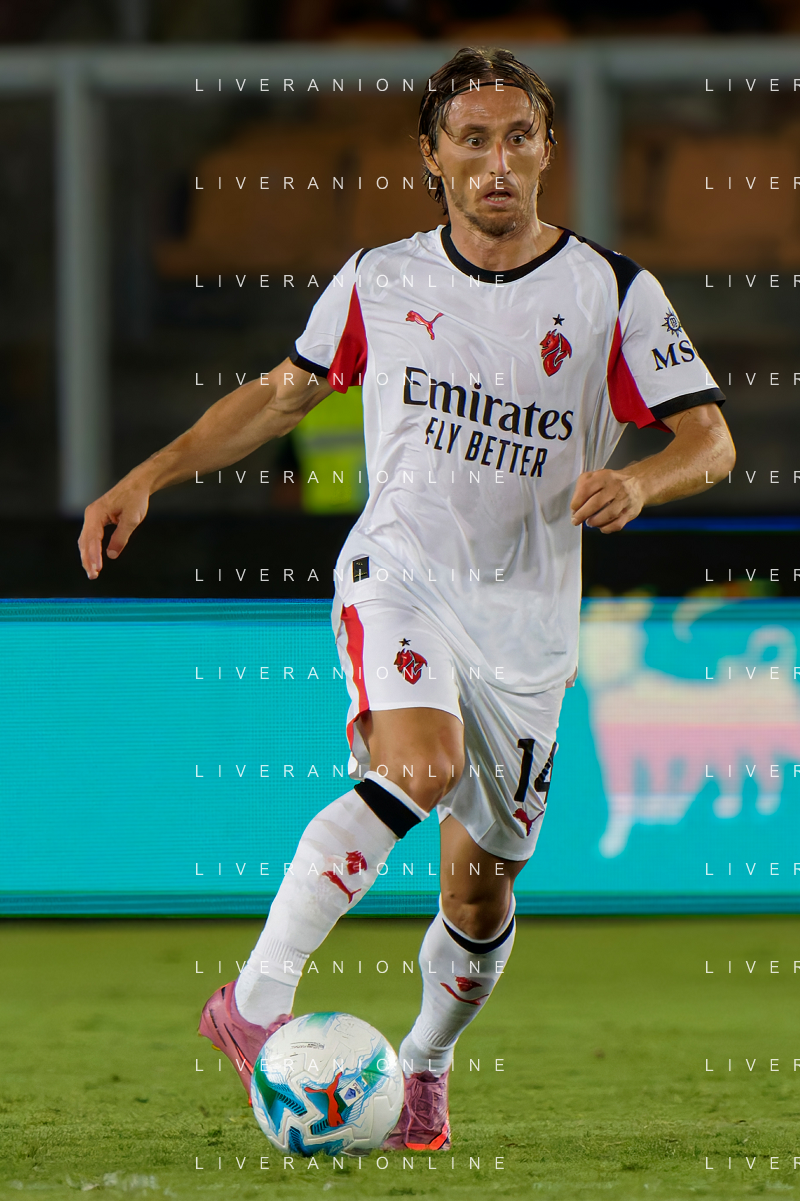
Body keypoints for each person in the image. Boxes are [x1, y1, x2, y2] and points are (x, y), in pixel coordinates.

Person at [78, 46, 735, 1152]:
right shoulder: (377, 281)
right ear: (431, 156)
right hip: (402, 575)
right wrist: (149, 474)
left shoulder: (612, 292)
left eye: (516, 137)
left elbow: (710, 442)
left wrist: (639, 480)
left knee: (479, 896)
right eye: (471, 140)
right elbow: (279, 397)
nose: (496, 161)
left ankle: (424, 1063)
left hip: (527, 630)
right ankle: (253, 997)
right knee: (417, 766)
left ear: (547, 149)